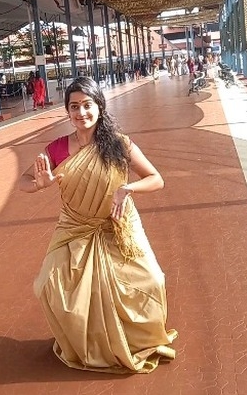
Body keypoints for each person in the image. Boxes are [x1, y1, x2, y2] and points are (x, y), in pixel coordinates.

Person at [19, 77, 177, 374]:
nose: (81, 113)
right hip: (75, 227)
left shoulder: (119, 144)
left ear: (99, 107)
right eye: (74, 106)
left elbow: (156, 179)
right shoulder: (57, 149)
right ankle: (87, 344)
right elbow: (24, 181)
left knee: (152, 280)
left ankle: (137, 340)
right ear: (67, 112)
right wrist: (40, 185)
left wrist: (128, 189)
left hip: (117, 225)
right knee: (48, 286)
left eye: (87, 105)